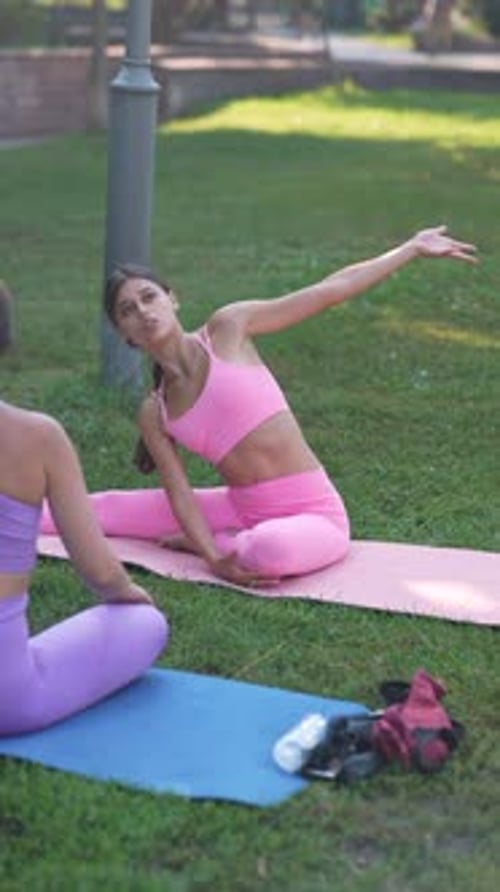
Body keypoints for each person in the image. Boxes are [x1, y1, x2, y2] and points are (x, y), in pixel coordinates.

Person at [40, 225, 477, 587]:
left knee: (266, 549)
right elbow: (178, 491)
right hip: (239, 506)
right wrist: (212, 558)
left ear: (172, 299)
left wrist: (411, 248)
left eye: (150, 297)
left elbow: (330, 291)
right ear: (126, 336)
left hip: (314, 514)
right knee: (104, 508)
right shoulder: (155, 411)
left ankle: (230, 541)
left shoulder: (228, 330)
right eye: (128, 311)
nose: (144, 312)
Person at [0, 295, 168, 736]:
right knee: (145, 624)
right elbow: (98, 569)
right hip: (7, 698)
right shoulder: (36, 437)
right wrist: (127, 592)